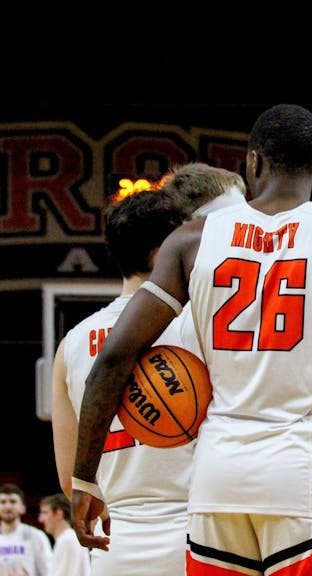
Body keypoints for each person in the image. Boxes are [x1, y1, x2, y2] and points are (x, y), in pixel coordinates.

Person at [70, 103, 312, 576]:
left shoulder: (191, 241)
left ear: (252, 162)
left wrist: (85, 478)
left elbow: (113, 357)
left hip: (219, 483)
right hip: (306, 481)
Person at [51, 165, 239, 575]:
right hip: (200, 534)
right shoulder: (202, 323)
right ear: (162, 254)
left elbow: (71, 480)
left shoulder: (72, 344)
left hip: (113, 545)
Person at [0, 484, 51, 576]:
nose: (7, 506)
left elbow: (49, 571)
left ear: (23, 508)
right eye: (3, 502)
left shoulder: (36, 536)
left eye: (13, 502)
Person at [37, 494, 89, 576]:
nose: (40, 519)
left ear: (58, 514)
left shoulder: (67, 541)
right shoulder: (67, 539)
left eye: (45, 513)